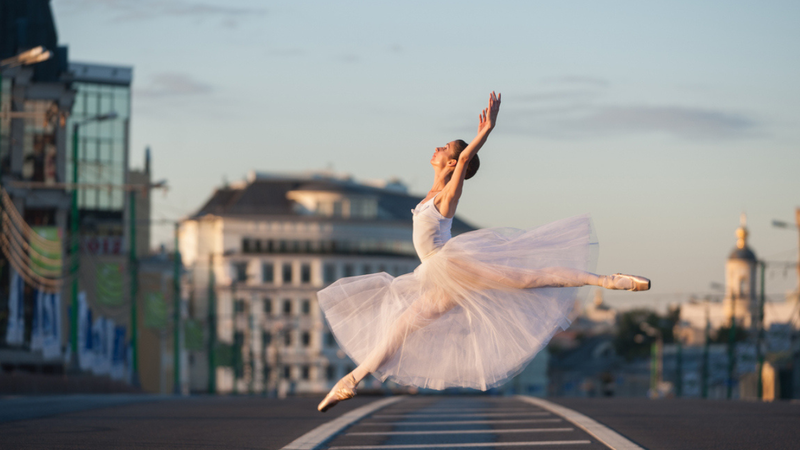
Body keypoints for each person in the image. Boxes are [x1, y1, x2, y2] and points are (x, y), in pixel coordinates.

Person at [317, 92, 649, 412]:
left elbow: (464, 159)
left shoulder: (447, 195)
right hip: (436, 279)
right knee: (400, 329)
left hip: (453, 265)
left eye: (443, 147)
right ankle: (349, 381)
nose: (436, 147)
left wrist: (485, 132)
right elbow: (458, 160)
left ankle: (608, 279)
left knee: (530, 278)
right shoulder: (429, 193)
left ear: (450, 161)